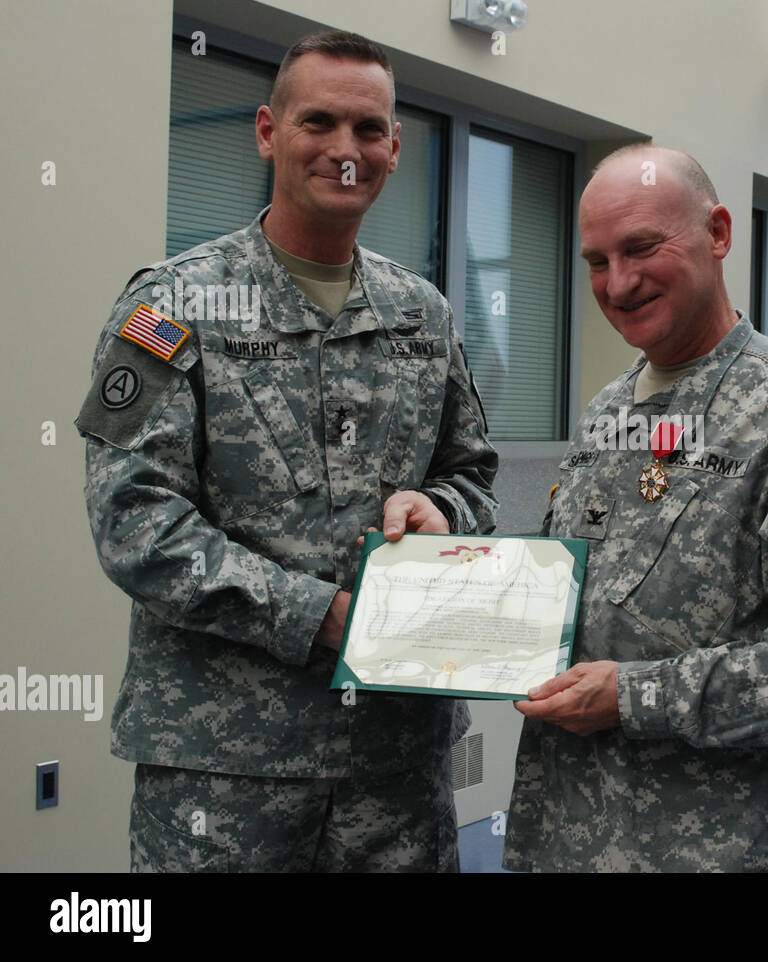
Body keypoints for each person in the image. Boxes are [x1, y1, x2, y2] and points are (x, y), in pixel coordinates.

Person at [75, 30, 497, 872]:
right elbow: (134, 523)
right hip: (227, 771)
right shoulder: (170, 307)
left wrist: (439, 508)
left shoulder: (424, 313)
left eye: (369, 130)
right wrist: (317, 617)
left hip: (395, 766)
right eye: (320, 123)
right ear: (268, 131)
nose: (346, 150)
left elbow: (472, 474)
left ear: (395, 148)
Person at [502, 145, 768, 872]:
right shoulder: (606, 413)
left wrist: (634, 698)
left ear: (717, 233)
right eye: (596, 261)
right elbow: (569, 594)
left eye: (641, 248)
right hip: (567, 836)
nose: (618, 284)